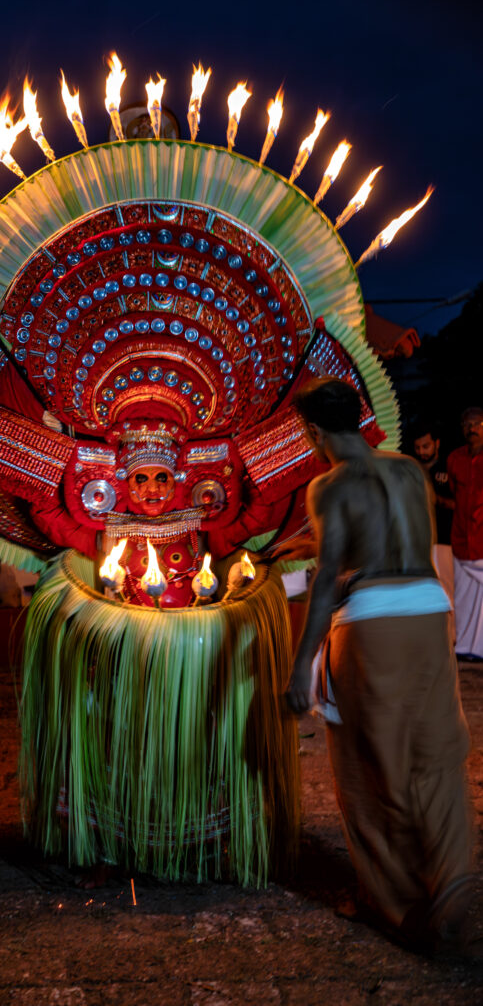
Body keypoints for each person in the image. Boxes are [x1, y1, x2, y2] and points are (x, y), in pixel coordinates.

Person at [285, 377, 472, 952]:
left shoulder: (329, 486)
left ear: (314, 432)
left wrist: (301, 666)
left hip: (371, 624)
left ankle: (394, 905)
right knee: (436, 752)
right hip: (430, 610)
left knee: (369, 764)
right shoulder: (407, 470)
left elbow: (327, 581)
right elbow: (408, 542)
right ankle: (454, 883)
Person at [412, 422, 455, 639]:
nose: (422, 452)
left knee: (445, 588)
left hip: (443, 540)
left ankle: (449, 636)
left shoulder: (448, 468)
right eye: (418, 447)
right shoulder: (412, 469)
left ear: (436, 444)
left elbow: (460, 503)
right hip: (419, 540)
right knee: (422, 588)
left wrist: (435, 499)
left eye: (426, 446)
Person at [447, 407, 483, 662]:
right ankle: (464, 648)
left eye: (477, 424)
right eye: (466, 425)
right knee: (463, 597)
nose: (471, 429)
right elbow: (453, 492)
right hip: (461, 538)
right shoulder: (454, 458)